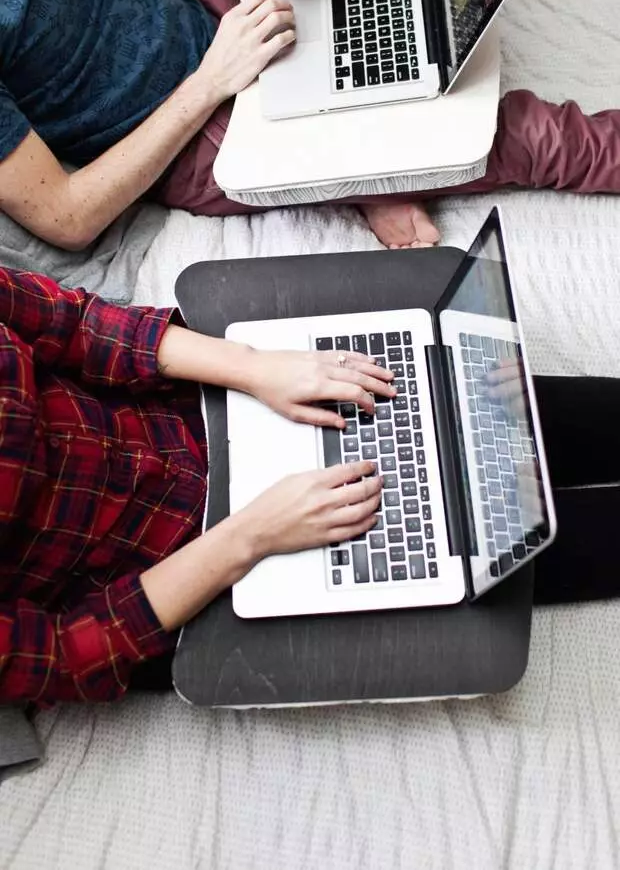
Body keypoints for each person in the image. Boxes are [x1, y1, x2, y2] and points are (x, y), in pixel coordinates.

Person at [1, 267, 619, 706]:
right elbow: (61, 654)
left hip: (207, 403)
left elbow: (72, 323)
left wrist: (254, 367)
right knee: (518, 539)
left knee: (502, 410)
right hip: (192, 571)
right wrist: (251, 536)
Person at [1, 0, 620, 255]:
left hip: (218, 19)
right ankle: (364, 175)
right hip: (193, 138)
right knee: (519, 134)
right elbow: (67, 216)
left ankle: (364, 173)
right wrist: (213, 80)